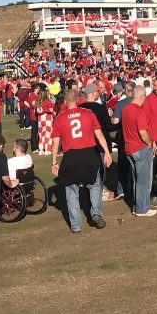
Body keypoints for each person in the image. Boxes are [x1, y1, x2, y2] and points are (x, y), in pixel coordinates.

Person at [51, 89, 112, 233]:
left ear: (65, 102)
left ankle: (76, 225)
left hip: (71, 156)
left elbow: (55, 143)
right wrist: (107, 152)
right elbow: (99, 134)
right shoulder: (88, 113)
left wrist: (54, 162)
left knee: (71, 191)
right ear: (78, 100)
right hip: (89, 153)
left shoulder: (60, 118)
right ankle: (96, 213)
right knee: (95, 185)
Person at [121, 85, 157, 217]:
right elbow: (143, 132)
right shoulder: (139, 111)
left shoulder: (125, 109)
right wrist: (150, 143)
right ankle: (142, 209)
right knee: (144, 181)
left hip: (129, 149)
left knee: (137, 179)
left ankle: (138, 207)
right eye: (144, 98)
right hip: (140, 148)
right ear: (141, 96)